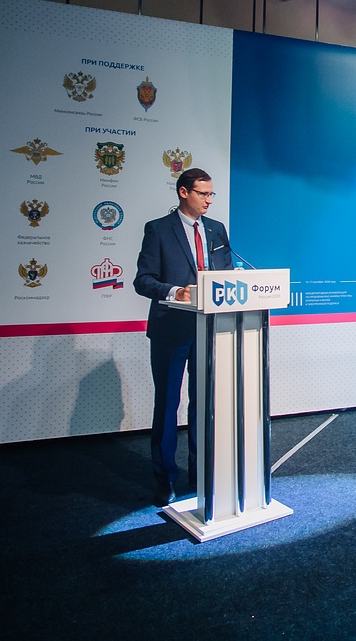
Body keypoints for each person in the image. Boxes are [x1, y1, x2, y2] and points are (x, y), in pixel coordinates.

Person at [133, 168, 235, 506]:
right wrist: (175, 291)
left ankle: (201, 470)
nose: (209, 200)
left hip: (209, 328)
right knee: (167, 404)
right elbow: (143, 280)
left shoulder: (216, 229)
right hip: (171, 329)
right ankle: (165, 478)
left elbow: (226, 274)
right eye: (203, 194)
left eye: (211, 194)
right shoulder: (159, 229)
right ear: (183, 192)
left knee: (204, 403)